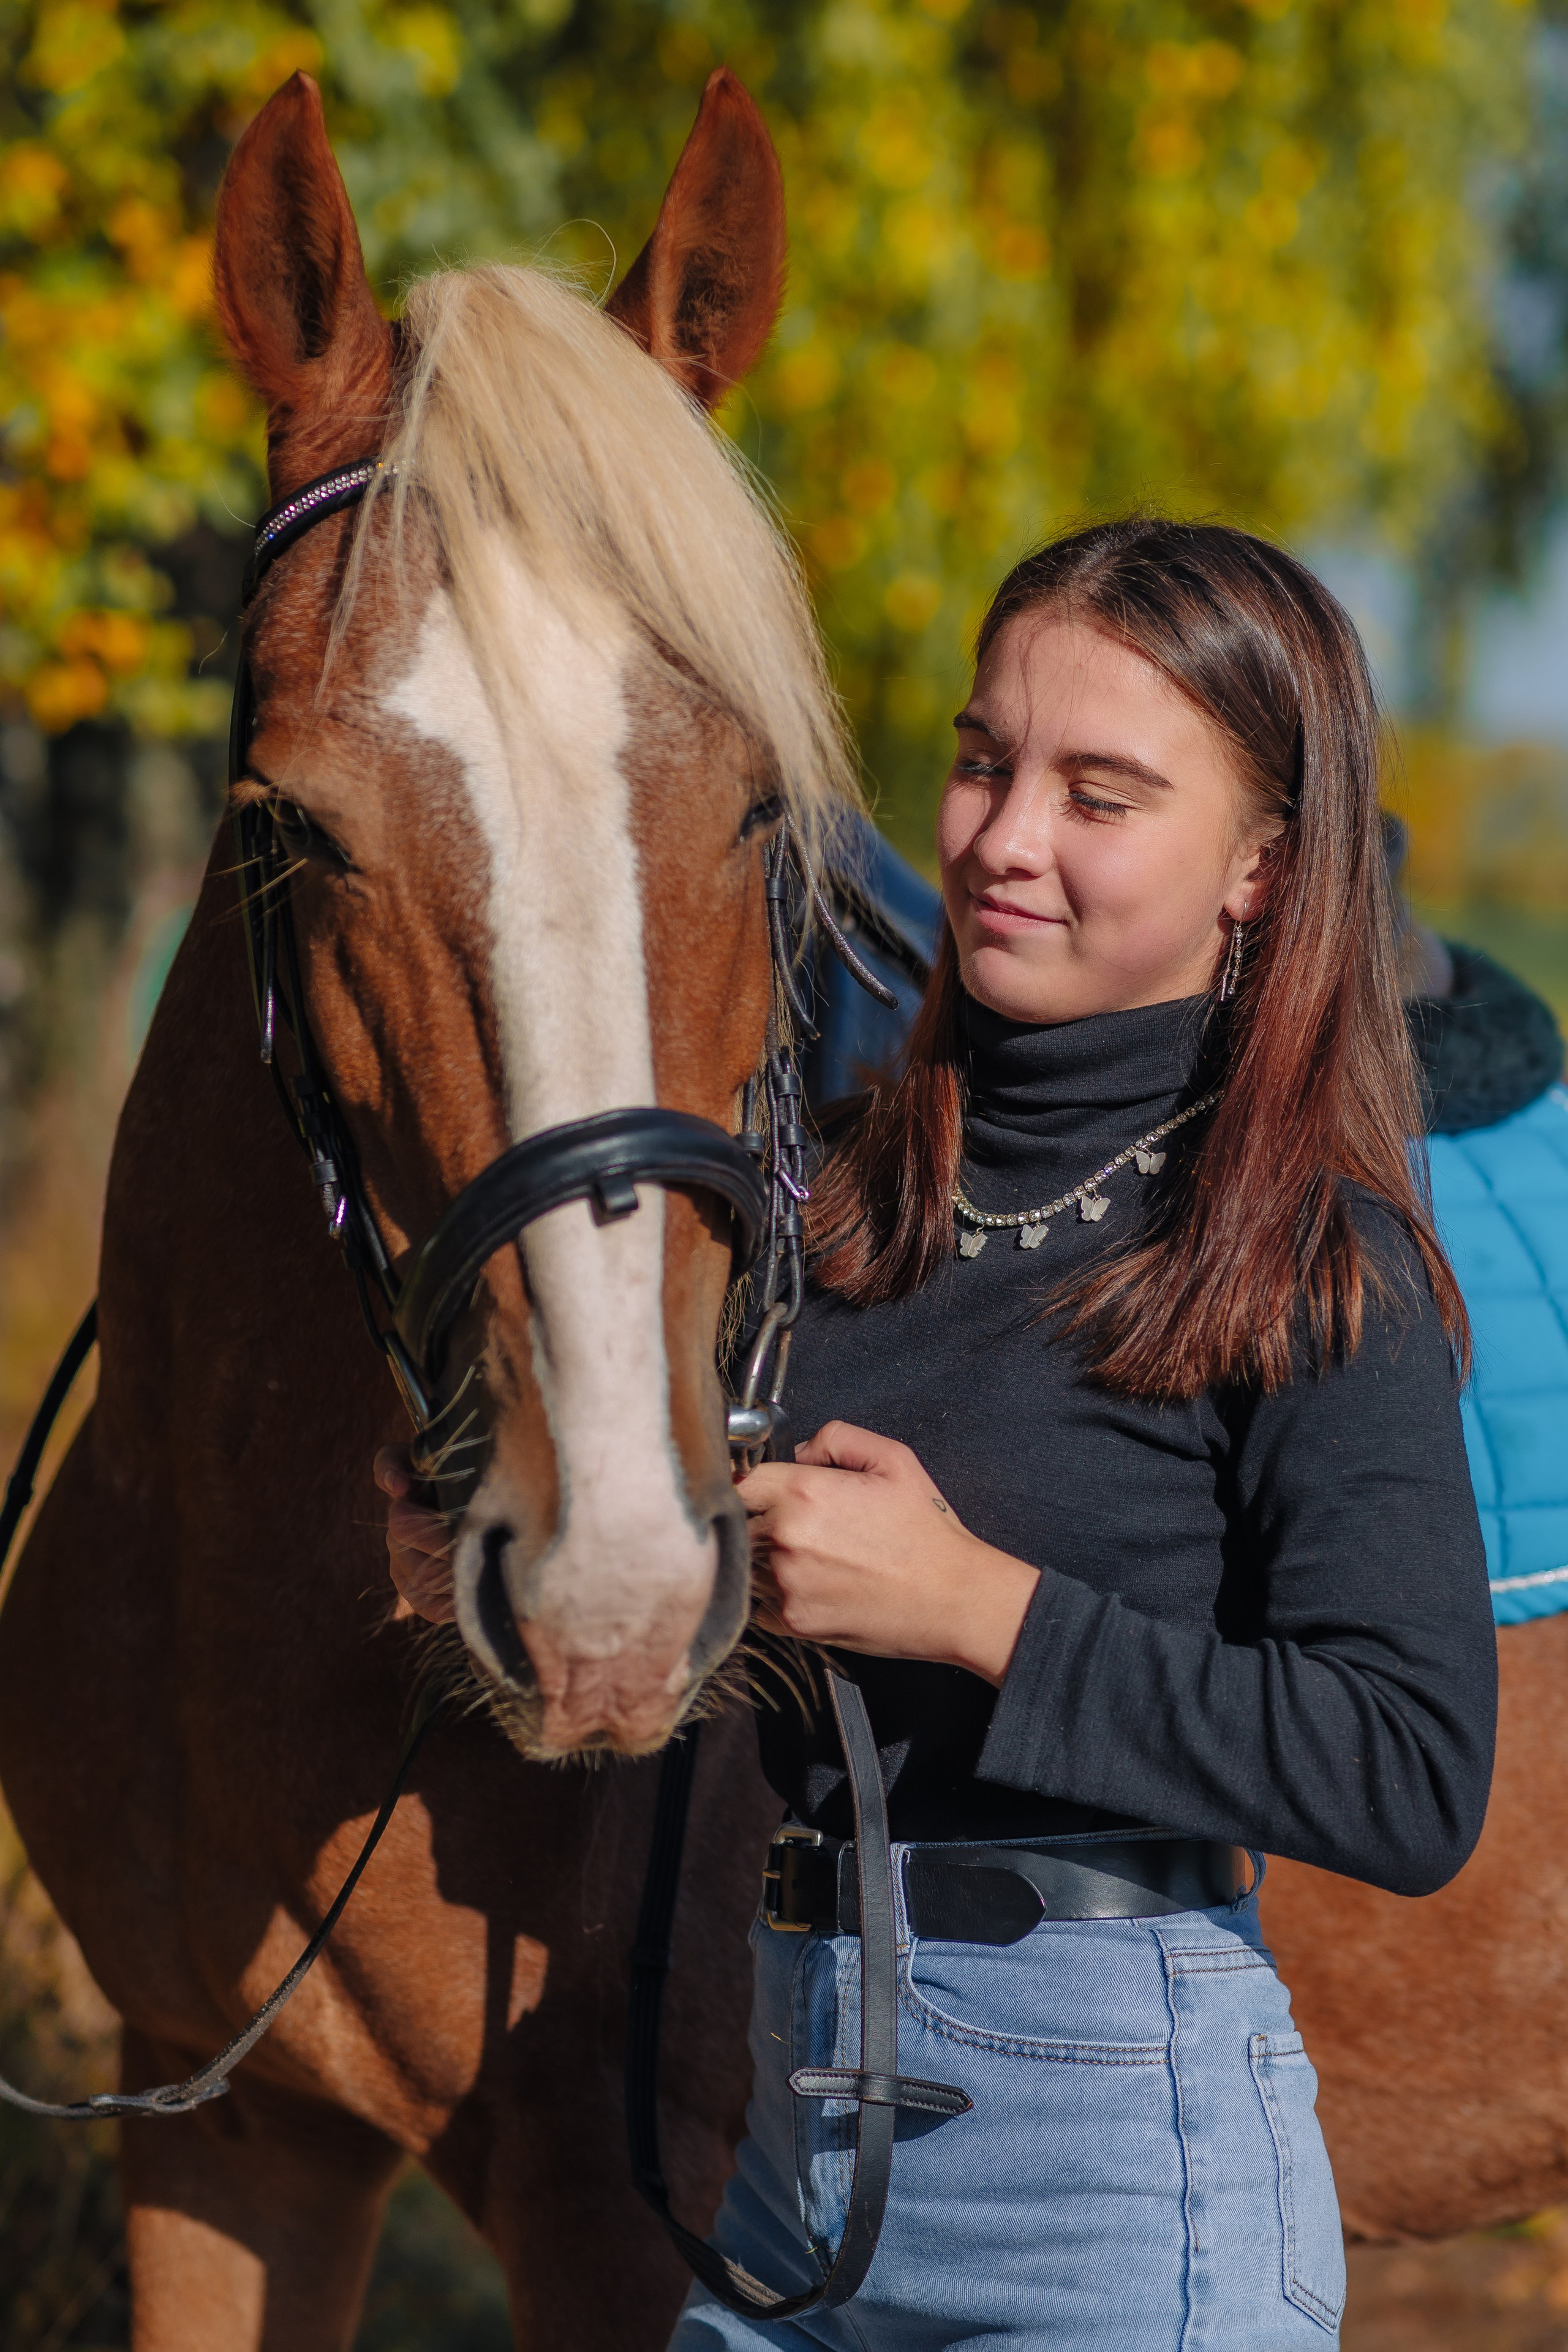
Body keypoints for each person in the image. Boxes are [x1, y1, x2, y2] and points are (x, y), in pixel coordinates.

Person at [382, 519, 1497, 2349]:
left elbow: (1408, 1772)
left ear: (1259, 871)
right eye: (985, 762)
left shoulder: (1310, 1262)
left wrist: (981, 1605)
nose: (1002, 839)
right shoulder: (819, 1204)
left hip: (1126, 2190)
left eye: (1103, 793)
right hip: (794, 2154)